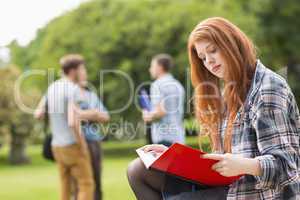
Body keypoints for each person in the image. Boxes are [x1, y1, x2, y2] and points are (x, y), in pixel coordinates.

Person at [127, 17, 300, 200]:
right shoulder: (229, 91)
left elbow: (287, 166)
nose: (209, 61)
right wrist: (171, 158)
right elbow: (223, 160)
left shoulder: (268, 88)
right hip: (228, 185)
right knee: (137, 171)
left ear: (232, 44)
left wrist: (245, 165)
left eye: (213, 51)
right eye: (202, 57)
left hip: (258, 193)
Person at [34, 54, 95, 200]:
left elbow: (39, 113)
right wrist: (82, 143)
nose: (83, 72)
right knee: (86, 184)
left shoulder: (52, 87)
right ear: (73, 71)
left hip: (57, 146)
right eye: (82, 69)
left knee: (65, 186)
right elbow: (73, 122)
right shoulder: (72, 89)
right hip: (72, 144)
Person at [72, 61, 110, 200]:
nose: (85, 74)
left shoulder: (91, 95)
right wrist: (92, 114)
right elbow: (70, 115)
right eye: (82, 71)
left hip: (93, 142)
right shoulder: (67, 94)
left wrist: (86, 114)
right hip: (75, 143)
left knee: (96, 180)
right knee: (78, 184)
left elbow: (106, 116)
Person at [142, 54, 185, 147]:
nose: (150, 69)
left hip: (164, 137)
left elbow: (160, 112)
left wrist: (147, 115)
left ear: (160, 67)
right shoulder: (178, 85)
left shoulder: (157, 85)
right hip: (178, 137)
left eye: (152, 66)